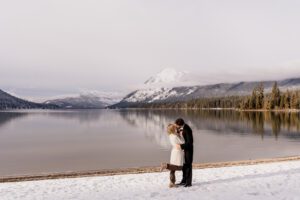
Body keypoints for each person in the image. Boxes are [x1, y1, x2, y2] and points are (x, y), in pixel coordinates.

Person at [161, 124, 185, 188]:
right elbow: (183, 142)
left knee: (172, 169)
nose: (176, 129)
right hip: (177, 152)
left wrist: (178, 134)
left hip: (174, 151)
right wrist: (181, 135)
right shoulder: (175, 136)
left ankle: (172, 183)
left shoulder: (171, 135)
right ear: (173, 129)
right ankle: (166, 165)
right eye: (175, 128)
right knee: (179, 167)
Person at [175, 118, 193, 187]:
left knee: (188, 166)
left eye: (177, 125)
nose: (176, 126)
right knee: (184, 167)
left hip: (188, 150)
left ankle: (188, 183)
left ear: (179, 124)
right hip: (184, 150)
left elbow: (190, 143)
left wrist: (181, 146)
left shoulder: (187, 129)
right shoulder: (182, 128)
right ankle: (184, 180)